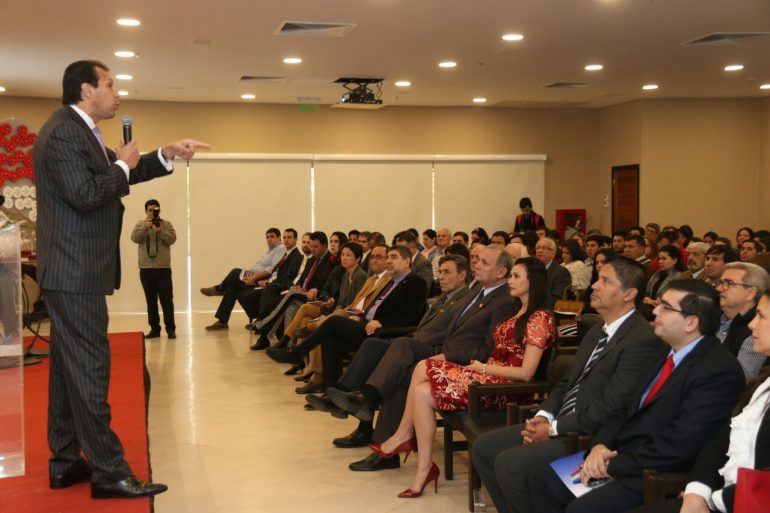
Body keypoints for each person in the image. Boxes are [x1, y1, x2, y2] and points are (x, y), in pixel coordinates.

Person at [34, 59, 208, 499]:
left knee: (67, 371)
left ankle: (65, 459)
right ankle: (109, 471)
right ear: (86, 90)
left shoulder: (81, 132)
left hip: (75, 270)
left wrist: (166, 153)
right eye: (110, 85)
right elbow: (87, 194)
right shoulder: (64, 133)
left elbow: (123, 171)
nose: (118, 94)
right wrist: (123, 167)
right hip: (74, 271)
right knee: (91, 368)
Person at [530, 280, 745, 513]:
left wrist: (612, 465)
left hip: (654, 471)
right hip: (619, 455)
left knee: (583, 509)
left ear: (691, 322)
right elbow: (624, 409)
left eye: (665, 307)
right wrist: (600, 446)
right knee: (544, 479)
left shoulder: (718, 370)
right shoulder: (663, 351)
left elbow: (681, 444)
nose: (655, 311)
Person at [472, 257, 660, 513]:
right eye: (598, 279)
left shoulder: (641, 340)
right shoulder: (596, 330)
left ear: (629, 294)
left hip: (588, 434)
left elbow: (612, 406)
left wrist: (552, 429)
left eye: (605, 281)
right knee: (483, 448)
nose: (594, 286)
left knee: (510, 465)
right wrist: (544, 415)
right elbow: (567, 383)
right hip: (561, 422)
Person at [372, 257, 555, 498]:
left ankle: (404, 434)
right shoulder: (517, 311)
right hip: (489, 379)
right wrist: (483, 369)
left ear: (533, 281)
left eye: (516, 276)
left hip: (505, 390)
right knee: (421, 391)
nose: (510, 281)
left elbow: (526, 373)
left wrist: (484, 369)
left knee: (424, 366)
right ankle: (424, 469)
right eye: (511, 275)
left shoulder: (539, 318)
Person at [626, 288, 770, 513]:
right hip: (728, 496)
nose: (751, 324)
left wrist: (713, 499)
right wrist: (698, 490)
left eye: (761, 316)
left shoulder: (718, 368)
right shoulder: (764, 381)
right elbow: (722, 439)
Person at [201, 227, 287, 330]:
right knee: (232, 287)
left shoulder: (281, 248)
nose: (269, 239)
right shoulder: (270, 251)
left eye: (272, 236)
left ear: (279, 237)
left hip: (261, 280)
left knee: (235, 272)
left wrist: (253, 278)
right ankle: (222, 321)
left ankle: (219, 289)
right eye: (267, 237)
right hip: (253, 275)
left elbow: (271, 269)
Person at [130, 199, 177, 339]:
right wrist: (145, 227)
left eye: (155, 210)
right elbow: (134, 238)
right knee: (151, 301)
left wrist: (161, 231)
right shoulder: (140, 224)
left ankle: (170, 329)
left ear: (159, 210)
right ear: (146, 211)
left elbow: (172, 239)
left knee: (167, 301)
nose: (152, 212)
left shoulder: (166, 224)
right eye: (150, 210)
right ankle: (155, 329)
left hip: (163, 269)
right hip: (146, 269)